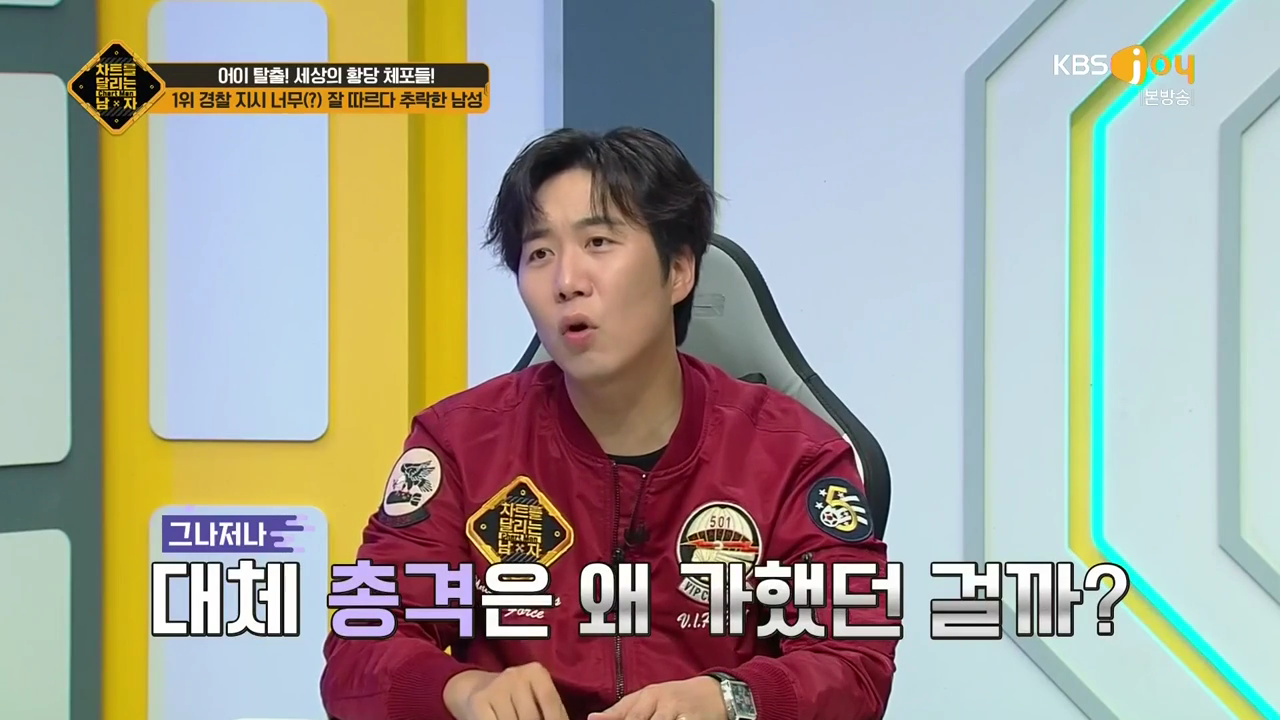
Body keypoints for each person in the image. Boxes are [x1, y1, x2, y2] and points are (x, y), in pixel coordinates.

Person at [320, 127, 898, 720]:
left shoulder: (794, 453)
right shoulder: (461, 444)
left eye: (598, 242)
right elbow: (359, 649)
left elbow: (854, 660)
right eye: (539, 254)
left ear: (679, 270)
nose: (566, 281)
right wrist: (461, 689)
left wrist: (729, 701)